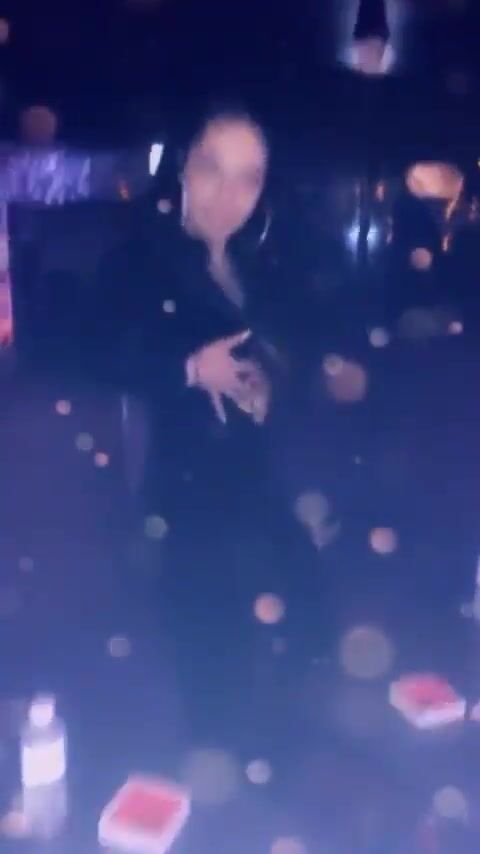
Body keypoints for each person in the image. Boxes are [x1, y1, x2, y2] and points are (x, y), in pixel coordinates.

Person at [97, 105, 330, 745]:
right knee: (218, 662)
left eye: (248, 178)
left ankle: (276, 762)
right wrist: (189, 368)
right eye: (211, 169)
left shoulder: (257, 265)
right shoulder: (140, 258)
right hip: (181, 490)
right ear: (182, 168)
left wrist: (270, 383)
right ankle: (223, 766)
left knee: (312, 631)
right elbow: (91, 354)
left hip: (258, 478)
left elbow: (288, 354)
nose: (228, 195)